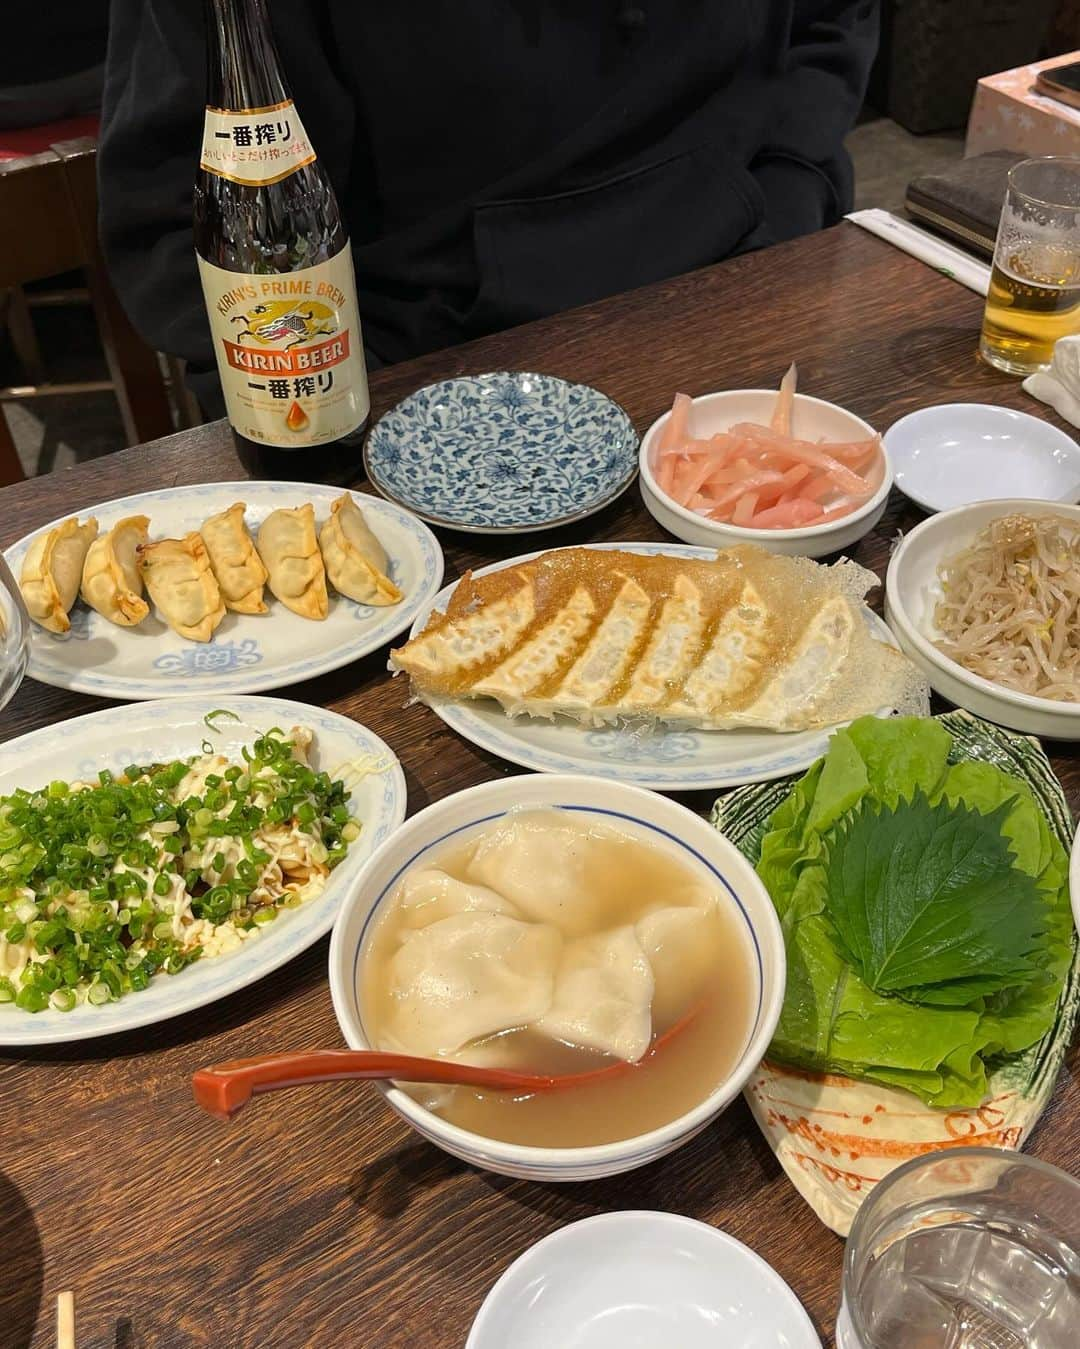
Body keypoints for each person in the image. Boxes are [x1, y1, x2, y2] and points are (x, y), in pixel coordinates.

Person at [99, 2, 879, 420]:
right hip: (427, 374)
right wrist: (350, 421)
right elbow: (178, 210)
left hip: (759, 285)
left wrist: (789, 198)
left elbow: (829, 27)